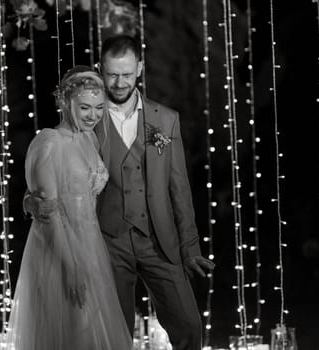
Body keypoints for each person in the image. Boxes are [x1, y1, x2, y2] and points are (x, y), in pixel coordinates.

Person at [26, 35, 215, 350]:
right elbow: (58, 171)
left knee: (189, 326)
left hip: (159, 241)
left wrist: (190, 246)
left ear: (140, 69)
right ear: (101, 69)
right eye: (112, 73)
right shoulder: (88, 118)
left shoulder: (166, 120)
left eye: (127, 73)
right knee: (114, 335)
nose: (119, 81)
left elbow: (179, 187)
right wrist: (30, 200)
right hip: (107, 243)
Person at [6, 66, 132, 350]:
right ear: (65, 102)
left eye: (99, 108)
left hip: (90, 245)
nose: (93, 115)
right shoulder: (49, 142)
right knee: (70, 328)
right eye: (85, 107)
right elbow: (47, 211)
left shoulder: (90, 138)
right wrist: (70, 266)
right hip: (58, 247)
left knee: (91, 329)